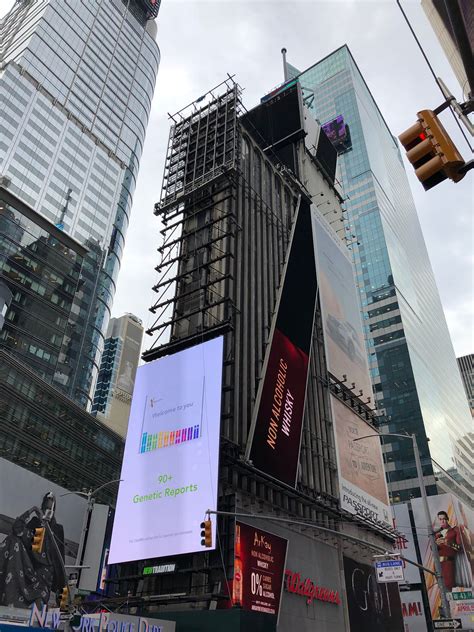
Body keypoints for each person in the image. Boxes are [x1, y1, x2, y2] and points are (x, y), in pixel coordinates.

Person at [0, 492, 66, 609]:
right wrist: (32, 510)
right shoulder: (36, 525)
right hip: (30, 568)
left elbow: (60, 563)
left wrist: (63, 601)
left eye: (50, 508)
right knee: (13, 539)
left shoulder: (57, 529)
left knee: (39, 601)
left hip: (45, 576)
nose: (48, 511)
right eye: (45, 508)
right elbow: (18, 529)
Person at [435, 510, 462, 592]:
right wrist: (436, 545)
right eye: (440, 519)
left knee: (449, 584)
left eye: (444, 519)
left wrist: (448, 543)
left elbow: (459, 548)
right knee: (440, 586)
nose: (442, 521)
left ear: (447, 519)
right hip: (437, 563)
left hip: (448, 562)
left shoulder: (454, 530)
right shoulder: (437, 533)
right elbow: (432, 549)